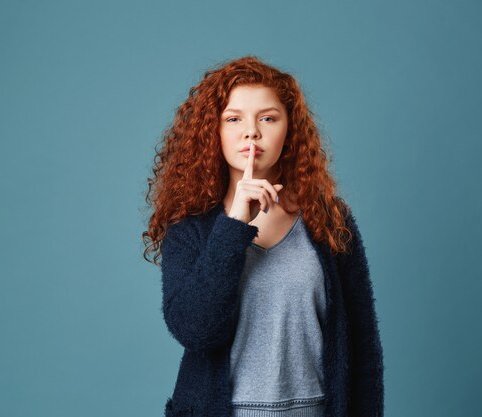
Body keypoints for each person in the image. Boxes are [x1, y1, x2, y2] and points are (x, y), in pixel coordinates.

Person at [142, 55, 384, 417]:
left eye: (268, 118)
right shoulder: (189, 227)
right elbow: (196, 331)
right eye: (234, 119)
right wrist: (234, 224)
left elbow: (363, 346)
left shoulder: (329, 218)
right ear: (214, 131)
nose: (251, 132)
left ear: (289, 131)